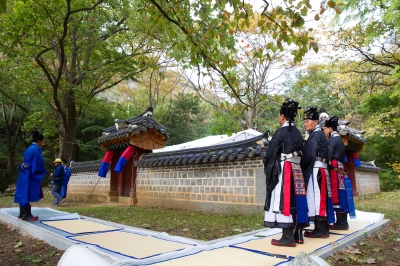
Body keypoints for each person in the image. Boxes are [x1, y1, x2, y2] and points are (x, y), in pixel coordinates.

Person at [263, 99, 308, 247]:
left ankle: (287, 237)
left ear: (282, 116)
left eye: (279, 116)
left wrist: (268, 164)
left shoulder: (281, 132)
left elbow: (271, 153)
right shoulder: (298, 133)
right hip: (297, 170)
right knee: (296, 200)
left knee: (283, 200)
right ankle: (296, 234)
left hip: (285, 170)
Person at [301, 106, 334, 238]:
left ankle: (320, 230)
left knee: (317, 198)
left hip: (316, 170)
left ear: (315, 122)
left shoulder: (315, 135)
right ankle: (324, 228)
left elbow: (309, 155)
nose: (305, 123)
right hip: (322, 168)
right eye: (304, 121)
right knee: (322, 197)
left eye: (308, 121)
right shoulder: (320, 134)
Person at [323, 116, 349, 230]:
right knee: (340, 193)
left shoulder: (333, 140)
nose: (324, 131)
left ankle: (341, 223)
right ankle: (342, 222)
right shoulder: (339, 139)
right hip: (340, 167)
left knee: (336, 193)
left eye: (324, 129)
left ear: (329, 128)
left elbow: (328, 155)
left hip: (334, 169)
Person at [14, 130, 46, 221]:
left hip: (23, 172)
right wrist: (41, 173)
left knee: (23, 192)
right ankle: (26, 215)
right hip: (30, 173)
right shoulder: (36, 149)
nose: (43, 143)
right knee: (27, 192)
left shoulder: (29, 148)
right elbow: (38, 162)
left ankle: (22, 214)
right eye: (43, 141)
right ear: (39, 141)